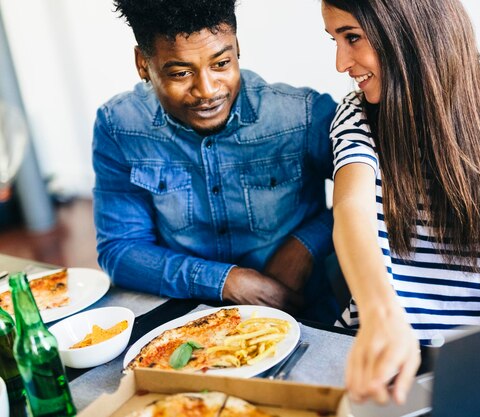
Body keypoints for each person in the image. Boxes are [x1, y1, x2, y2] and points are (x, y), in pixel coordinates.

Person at [322, 0, 480, 404]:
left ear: (410, 27)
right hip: (375, 368)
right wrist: (381, 315)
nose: (341, 63)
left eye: (352, 37)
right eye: (334, 40)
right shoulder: (357, 114)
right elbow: (350, 209)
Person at [92, 0, 339, 323]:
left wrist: (306, 245)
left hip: (305, 317)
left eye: (221, 63)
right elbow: (120, 250)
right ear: (143, 64)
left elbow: (386, 189)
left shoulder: (303, 115)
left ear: (237, 47)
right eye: (181, 72)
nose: (207, 90)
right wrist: (226, 281)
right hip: (189, 322)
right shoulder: (119, 125)